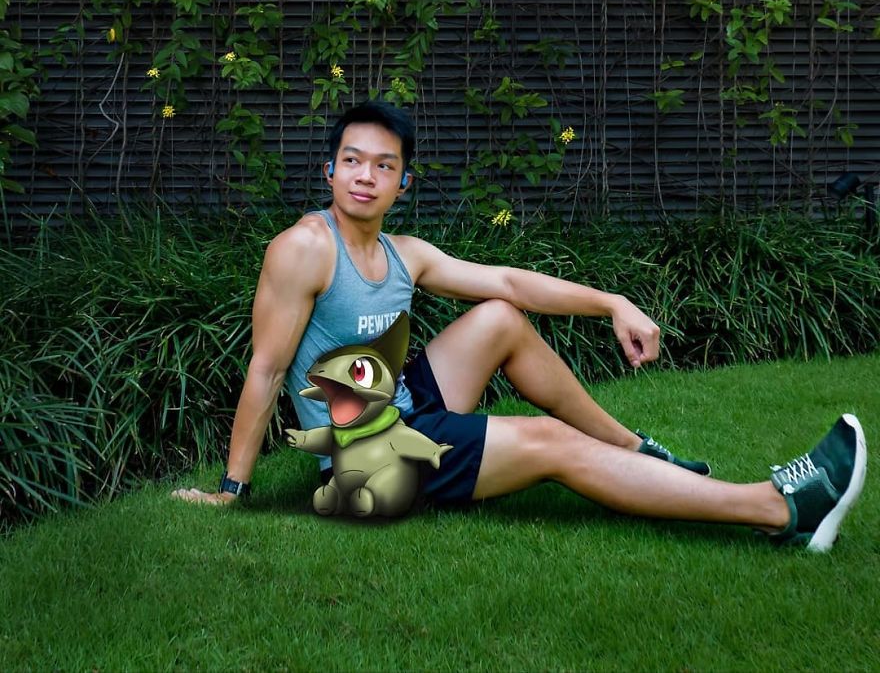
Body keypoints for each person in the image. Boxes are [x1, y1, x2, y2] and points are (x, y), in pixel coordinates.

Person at [173, 100, 866, 551]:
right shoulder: (304, 249)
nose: (364, 176)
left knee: (500, 316)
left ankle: (639, 451)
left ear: (403, 183)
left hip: (400, 407)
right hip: (366, 461)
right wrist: (231, 491)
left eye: (384, 165)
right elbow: (266, 369)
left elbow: (508, 282)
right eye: (351, 161)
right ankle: (778, 509)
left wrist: (611, 300)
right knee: (548, 442)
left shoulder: (399, 253)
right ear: (328, 170)